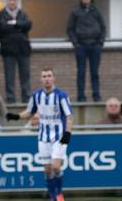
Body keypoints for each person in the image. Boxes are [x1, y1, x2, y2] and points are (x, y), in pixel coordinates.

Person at [20, 68, 73, 201]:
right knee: (47, 170)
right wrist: (14, 116)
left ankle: (59, 194)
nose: (47, 79)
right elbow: (29, 112)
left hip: (59, 136)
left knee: (56, 166)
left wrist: (67, 133)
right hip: (43, 137)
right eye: (44, 76)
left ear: (53, 78)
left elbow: (69, 116)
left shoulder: (61, 95)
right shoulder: (36, 95)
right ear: (41, 79)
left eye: (49, 76)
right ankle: (52, 196)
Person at [67, 0, 106, 102]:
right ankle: (81, 97)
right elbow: (70, 29)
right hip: (81, 46)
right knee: (81, 72)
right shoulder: (75, 12)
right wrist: (76, 43)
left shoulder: (96, 11)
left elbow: (103, 28)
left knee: (94, 72)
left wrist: (100, 42)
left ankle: (96, 96)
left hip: (95, 46)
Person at [0, 0, 33, 104]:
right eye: (10, 0)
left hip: (23, 49)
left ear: (17, 2)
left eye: (14, 0)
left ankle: (26, 98)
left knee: (25, 76)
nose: (12, 2)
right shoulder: (1, 14)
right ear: (6, 2)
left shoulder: (23, 13)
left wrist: (14, 23)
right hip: (8, 50)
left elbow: (28, 24)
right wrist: (18, 25)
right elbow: (3, 27)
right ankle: (10, 99)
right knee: (9, 76)